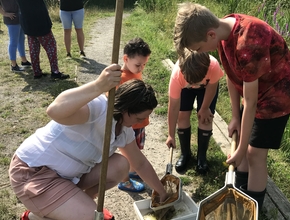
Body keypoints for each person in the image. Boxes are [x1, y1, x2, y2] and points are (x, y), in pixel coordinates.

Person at [173, 2, 290, 209]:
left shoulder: (248, 43)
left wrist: (241, 150)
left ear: (210, 34)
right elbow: (233, 77)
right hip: (255, 91)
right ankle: (239, 196)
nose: (199, 52)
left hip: (276, 96)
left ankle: (252, 208)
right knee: (240, 139)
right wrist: (235, 117)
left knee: (253, 154)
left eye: (198, 48)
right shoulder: (224, 33)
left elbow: (250, 103)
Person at [8, 65, 168, 220]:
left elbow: (139, 164)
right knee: (93, 218)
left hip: (68, 177)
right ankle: (36, 216)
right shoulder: (98, 108)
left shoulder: (124, 129)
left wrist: (162, 192)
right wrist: (98, 86)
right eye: (139, 118)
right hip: (35, 173)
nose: (144, 121)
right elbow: (54, 110)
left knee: (121, 165)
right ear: (126, 109)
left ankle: (72, 204)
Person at [166, 50, 223, 175]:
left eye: (197, 83)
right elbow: (174, 107)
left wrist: (204, 108)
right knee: (182, 116)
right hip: (184, 88)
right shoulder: (177, 76)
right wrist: (170, 134)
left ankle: (201, 157)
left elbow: (212, 88)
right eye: (192, 83)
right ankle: (185, 154)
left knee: (205, 118)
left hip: (207, 88)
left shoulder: (213, 66)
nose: (194, 85)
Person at [117, 37, 152, 192]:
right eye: (138, 64)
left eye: (144, 65)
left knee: (136, 150)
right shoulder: (119, 78)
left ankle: (133, 171)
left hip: (139, 124)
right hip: (127, 126)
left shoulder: (135, 73)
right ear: (126, 58)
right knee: (126, 154)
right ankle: (125, 180)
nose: (141, 68)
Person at [16, 0, 69, 79]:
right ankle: (55, 72)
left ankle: (37, 72)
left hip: (27, 21)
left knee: (33, 48)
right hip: (40, 21)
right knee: (51, 46)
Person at [0, 0, 31, 72]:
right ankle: (14, 65)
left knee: (21, 39)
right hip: (12, 19)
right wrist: (5, 13)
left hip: (19, 18)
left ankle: (24, 61)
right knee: (13, 42)